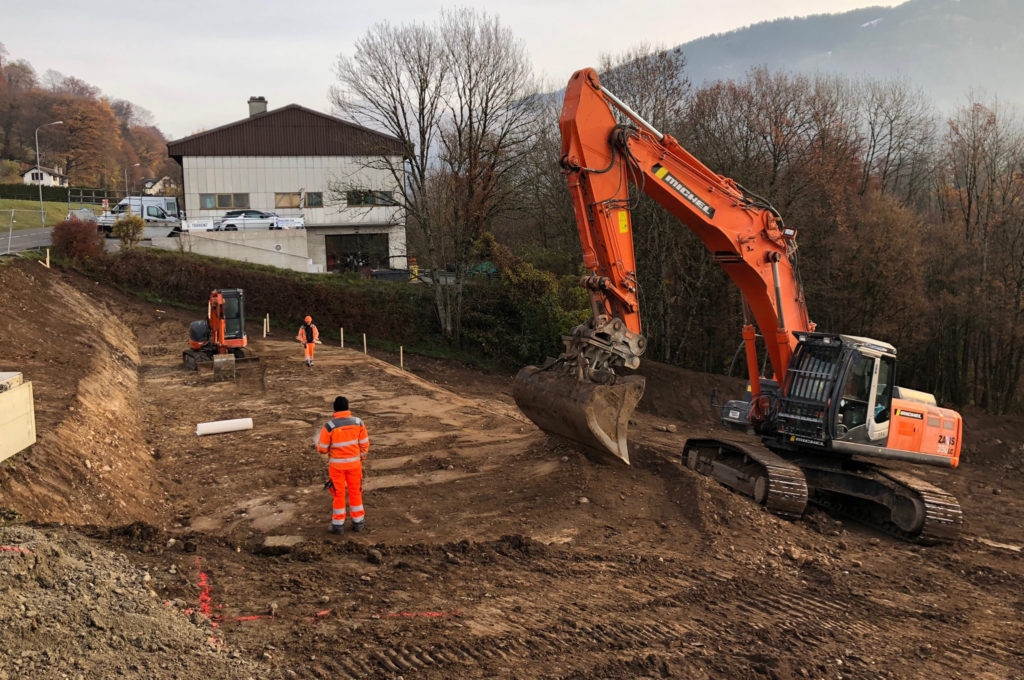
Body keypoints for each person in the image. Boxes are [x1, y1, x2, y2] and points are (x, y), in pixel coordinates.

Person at [316, 396, 369, 534]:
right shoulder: (359, 423)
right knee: (355, 492)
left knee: (339, 494)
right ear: (348, 408)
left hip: (337, 467)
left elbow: (322, 448)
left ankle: (338, 525)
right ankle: (358, 522)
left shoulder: (329, 426)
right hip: (355, 466)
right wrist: (361, 457)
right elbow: (364, 444)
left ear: (335, 409)